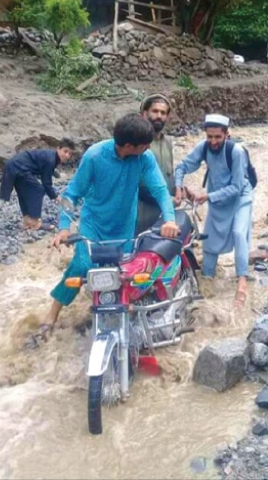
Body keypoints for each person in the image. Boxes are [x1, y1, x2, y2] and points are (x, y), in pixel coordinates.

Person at [41, 114, 179, 336]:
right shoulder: (95, 156)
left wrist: (170, 219)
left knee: (121, 276)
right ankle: (53, 313)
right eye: (145, 145)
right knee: (81, 265)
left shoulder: (145, 158)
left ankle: (112, 318)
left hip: (124, 228)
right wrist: (64, 227)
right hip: (93, 225)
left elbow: (160, 189)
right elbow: (72, 193)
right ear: (128, 145)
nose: (148, 148)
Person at [174, 114, 254, 308]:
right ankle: (207, 280)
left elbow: (236, 186)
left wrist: (208, 197)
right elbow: (182, 166)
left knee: (238, 233)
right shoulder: (204, 147)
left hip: (240, 197)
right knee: (209, 241)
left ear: (227, 135)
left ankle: (242, 282)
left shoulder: (236, 152)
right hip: (218, 200)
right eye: (209, 136)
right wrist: (178, 187)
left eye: (218, 137)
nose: (213, 141)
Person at [0, 139, 75, 230]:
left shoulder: (51, 156)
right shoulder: (51, 160)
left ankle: (27, 222)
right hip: (19, 167)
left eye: (70, 154)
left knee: (24, 193)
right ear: (58, 149)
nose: (67, 155)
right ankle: (35, 223)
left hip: (14, 165)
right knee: (38, 190)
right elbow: (46, 183)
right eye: (65, 151)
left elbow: (45, 176)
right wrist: (57, 198)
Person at [137, 93, 175, 235]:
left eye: (163, 112)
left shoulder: (168, 143)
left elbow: (169, 174)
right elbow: (138, 183)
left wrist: (180, 188)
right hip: (141, 215)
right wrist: (167, 199)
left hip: (164, 217)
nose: (159, 116)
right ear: (144, 114)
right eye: (155, 111)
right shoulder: (137, 143)